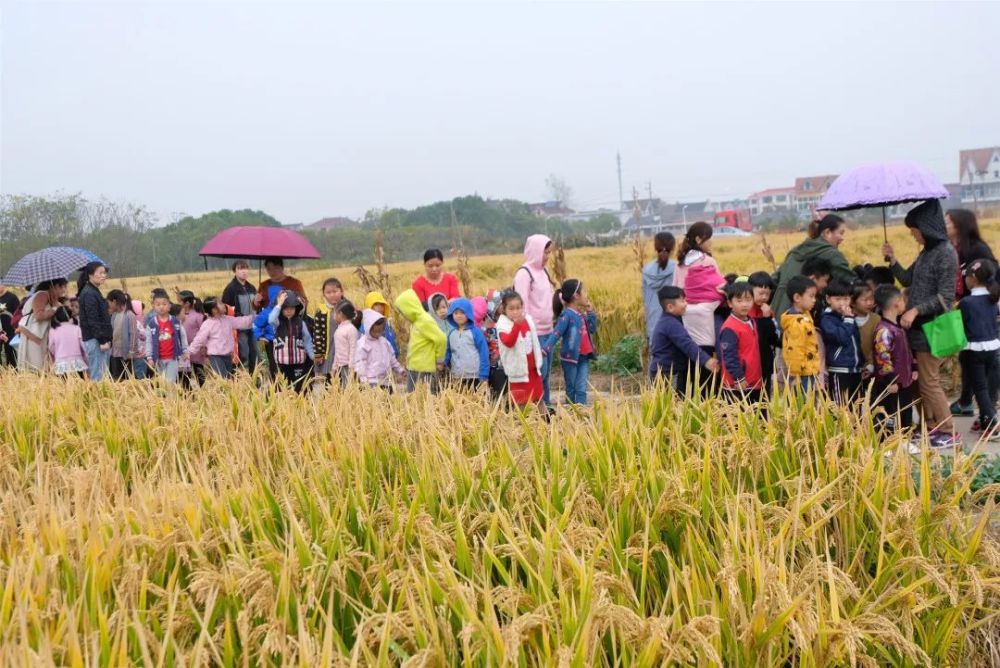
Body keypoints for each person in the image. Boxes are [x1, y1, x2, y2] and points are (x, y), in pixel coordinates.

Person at [882, 200, 961, 448]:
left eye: (914, 229)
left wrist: (915, 309)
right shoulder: (927, 252)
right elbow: (908, 279)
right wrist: (893, 260)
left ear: (926, 227)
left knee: (929, 382)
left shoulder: (946, 253)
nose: (912, 234)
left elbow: (945, 297)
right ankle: (929, 427)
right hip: (917, 330)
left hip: (932, 329)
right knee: (919, 383)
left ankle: (948, 431)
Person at [945, 209, 996, 415]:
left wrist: (992, 300)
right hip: (966, 307)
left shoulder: (977, 249)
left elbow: (994, 274)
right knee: (967, 356)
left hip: (982, 309)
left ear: (959, 225)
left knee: (983, 361)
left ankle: (988, 408)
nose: (944, 225)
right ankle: (967, 401)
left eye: (947, 222)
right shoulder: (952, 249)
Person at [772, 214, 855, 317]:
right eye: (841, 233)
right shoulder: (832, 254)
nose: (842, 238)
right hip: (802, 314)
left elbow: (774, 279)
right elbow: (850, 281)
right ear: (827, 232)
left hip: (778, 308)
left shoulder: (796, 251)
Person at [958, 259, 1000, 440]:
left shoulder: (966, 302)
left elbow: (960, 327)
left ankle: (992, 423)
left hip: (973, 349)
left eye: (966, 276)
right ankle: (984, 419)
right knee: (990, 386)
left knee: (980, 388)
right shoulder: (993, 299)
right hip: (993, 347)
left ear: (973, 278)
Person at [649, 286, 719, 393]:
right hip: (667, 374)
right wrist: (706, 360)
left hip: (662, 371)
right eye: (682, 301)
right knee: (673, 404)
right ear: (670, 307)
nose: (686, 304)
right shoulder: (671, 324)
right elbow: (687, 344)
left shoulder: (669, 320)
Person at [513, 234, 556, 406]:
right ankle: (535, 414)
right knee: (538, 374)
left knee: (546, 376)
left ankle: (547, 412)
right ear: (535, 251)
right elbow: (520, 307)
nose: (547, 256)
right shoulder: (524, 274)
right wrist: (526, 335)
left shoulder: (544, 271)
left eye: (549, 253)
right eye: (545, 252)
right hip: (534, 334)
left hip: (549, 331)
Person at [674, 222, 726, 362]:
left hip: (686, 315)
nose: (711, 241)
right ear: (698, 239)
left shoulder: (680, 263)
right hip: (708, 315)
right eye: (709, 237)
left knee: (692, 357)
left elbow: (676, 289)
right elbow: (720, 287)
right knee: (717, 352)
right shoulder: (708, 260)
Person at [543, 279, 598, 405]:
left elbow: (592, 328)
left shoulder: (581, 314)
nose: (586, 294)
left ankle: (581, 418)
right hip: (570, 359)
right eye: (583, 291)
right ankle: (570, 417)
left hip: (583, 357)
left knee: (581, 389)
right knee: (571, 389)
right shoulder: (567, 316)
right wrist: (545, 349)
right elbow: (556, 333)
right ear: (576, 296)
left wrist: (590, 312)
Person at [872, 285, 917, 434]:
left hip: (904, 380)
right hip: (891, 382)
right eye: (903, 300)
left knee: (905, 411)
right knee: (889, 413)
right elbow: (882, 356)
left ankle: (905, 438)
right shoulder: (884, 330)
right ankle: (888, 441)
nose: (905, 303)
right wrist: (890, 380)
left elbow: (906, 351)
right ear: (897, 302)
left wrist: (914, 367)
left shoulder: (898, 328)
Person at [255, 258, 307, 374]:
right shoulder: (264, 285)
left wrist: (296, 301)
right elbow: (259, 309)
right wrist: (256, 302)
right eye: (268, 268)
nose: (272, 271)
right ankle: (278, 389)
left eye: (275, 268)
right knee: (275, 365)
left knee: (294, 365)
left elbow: (304, 303)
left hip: (292, 329)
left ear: (282, 268)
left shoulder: (294, 283)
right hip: (272, 330)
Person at [186, 297, 256, 379]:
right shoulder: (208, 324)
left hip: (228, 356)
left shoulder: (227, 319)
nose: (223, 305)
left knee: (229, 378)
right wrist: (190, 351)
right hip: (216, 357)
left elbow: (242, 321)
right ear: (214, 310)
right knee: (223, 378)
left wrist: (257, 318)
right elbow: (199, 339)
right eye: (220, 303)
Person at [496, 291, 544, 410]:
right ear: (504, 309)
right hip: (518, 373)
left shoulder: (527, 320)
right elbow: (508, 342)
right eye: (511, 309)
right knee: (522, 403)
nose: (516, 312)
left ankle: (544, 424)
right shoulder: (503, 325)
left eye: (518, 308)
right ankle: (523, 426)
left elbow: (533, 341)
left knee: (538, 399)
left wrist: (538, 353)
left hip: (532, 370)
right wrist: (516, 326)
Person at [717, 282, 763, 403]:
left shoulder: (751, 321)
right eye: (739, 300)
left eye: (748, 300)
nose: (744, 304)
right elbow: (729, 357)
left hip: (754, 381)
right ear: (730, 303)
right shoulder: (729, 327)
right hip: (738, 385)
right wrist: (739, 378)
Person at [395, 288, 447, 393]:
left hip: (424, 368)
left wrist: (439, 360)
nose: (403, 315)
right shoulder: (416, 322)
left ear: (410, 308)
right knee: (412, 397)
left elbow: (441, 339)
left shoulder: (425, 320)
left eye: (403, 312)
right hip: (414, 367)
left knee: (423, 397)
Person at [819, 280, 862, 404]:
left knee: (857, 408)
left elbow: (856, 342)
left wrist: (862, 362)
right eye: (838, 299)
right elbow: (841, 338)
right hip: (839, 370)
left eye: (846, 299)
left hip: (855, 370)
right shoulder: (827, 319)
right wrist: (848, 319)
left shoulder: (848, 317)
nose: (842, 303)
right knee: (841, 409)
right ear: (828, 299)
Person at [267, 290, 314, 392]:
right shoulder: (277, 323)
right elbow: (270, 319)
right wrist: (279, 304)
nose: (289, 311)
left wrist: (312, 356)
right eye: (285, 308)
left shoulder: (301, 323)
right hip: (282, 364)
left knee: (299, 388)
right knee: (282, 389)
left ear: (296, 309)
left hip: (298, 363)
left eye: (292, 308)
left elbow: (307, 341)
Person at [16, 279, 68, 372]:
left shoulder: (51, 297)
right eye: (61, 286)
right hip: (32, 336)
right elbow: (38, 315)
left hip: (38, 334)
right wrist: (55, 308)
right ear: (53, 286)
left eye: (65, 287)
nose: (64, 289)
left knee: (42, 365)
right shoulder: (42, 294)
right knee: (36, 366)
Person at [780, 276, 820, 392]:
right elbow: (795, 350)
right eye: (811, 296)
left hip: (809, 369)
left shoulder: (804, 315)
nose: (814, 300)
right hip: (802, 374)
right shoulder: (796, 323)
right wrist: (795, 374)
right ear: (797, 297)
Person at [143, 288, 189, 384]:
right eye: (158, 304)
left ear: (169, 306)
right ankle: (167, 399)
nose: (161, 307)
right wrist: (149, 357)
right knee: (163, 383)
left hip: (173, 358)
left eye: (164, 304)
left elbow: (182, 337)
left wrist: (185, 351)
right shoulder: (152, 324)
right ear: (153, 306)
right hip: (158, 359)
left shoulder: (175, 322)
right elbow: (149, 342)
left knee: (170, 382)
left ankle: (171, 399)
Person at [77, 261, 113, 381]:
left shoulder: (93, 291)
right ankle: (98, 398)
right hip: (96, 340)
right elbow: (93, 320)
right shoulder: (89, 293)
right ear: (90, 275)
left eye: (105, 273)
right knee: (98, 376)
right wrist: (102, 340)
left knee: (102, 374)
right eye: (100, 272)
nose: (104, 275)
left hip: (98, 339)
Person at [353, 309, 406, 390]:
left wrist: (400, 369)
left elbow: (392, 358)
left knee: (387, 401)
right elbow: (360, 362)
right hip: (371, 381)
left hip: (385, 380)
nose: (378, 334)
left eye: (380, 331)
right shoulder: (363, 344)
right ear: (368, 328)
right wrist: (363, 379)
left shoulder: (384, 342)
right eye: (375, 332)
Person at [444, 297, 490, 391]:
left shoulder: (476, 333)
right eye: (456, 313)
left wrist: (484, 375)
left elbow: (484, 354)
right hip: (457, 376)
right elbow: (449, 351)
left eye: (462, 312)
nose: (459, 316)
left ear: (468, 313)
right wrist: (444, 363)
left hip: (474, 376)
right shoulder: (452, 333)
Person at [221, 260, 258, 371]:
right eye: (240, 268)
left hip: (252, 325)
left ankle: (254, 378)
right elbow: (225, 309)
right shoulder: (230, 289)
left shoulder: (252, 288)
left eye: (246, 268)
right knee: (244, 353)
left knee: (255, 353)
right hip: (239, 327)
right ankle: (240, 378)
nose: (244, 271)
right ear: (235, 271)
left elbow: (257, 306)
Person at [642, 232, 677, 342]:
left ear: (655, 247)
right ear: (673, 247)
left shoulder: (646, 270)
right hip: (674, 321)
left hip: (653, 321)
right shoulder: (678, 268)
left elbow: (645, 298)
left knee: (657, 354)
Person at [748, 272, 779, 396]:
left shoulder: (767, 310)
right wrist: (766, 320)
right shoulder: (747, 310)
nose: (764, 297)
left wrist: (768, 318)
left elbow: (773, 337)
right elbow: (758, 335)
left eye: (767, 294)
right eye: (761, 293)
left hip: (765, 363)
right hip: (751, 363)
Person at [312, 278, 345, 382]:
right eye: (328, 292)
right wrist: (318, 353)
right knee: (330, 379)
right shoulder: (321, 311)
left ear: (341, 292)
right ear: (324, 294)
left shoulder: (347, 308)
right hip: (329, 350)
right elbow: (317, 334)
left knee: (346, 376)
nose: (332, 295)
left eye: (335, 291)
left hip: (345, 349)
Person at [47, 305, 88, 378]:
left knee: (63, 387)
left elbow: (51, 347)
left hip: (61, 364)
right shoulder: (77, 328)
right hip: (77, 363)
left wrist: (57, 354)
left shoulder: (53, 330)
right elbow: (84, 345)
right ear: (70, 316)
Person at [107, 289, 138, 380]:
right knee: (116, 376)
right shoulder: (114, 315)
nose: (109, 305)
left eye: (109, 302)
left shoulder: (129, 315)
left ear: (114, 301)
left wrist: (131, 351)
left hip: (126, 352)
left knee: (127, 376)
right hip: (114, 352)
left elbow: (133, 334)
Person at [331, 301, 362, 387]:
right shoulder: (339, 329)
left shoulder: (351, 329)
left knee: (348, 389)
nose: (334, 316)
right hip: (340, 366)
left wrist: (351, 368)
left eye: (335, 313)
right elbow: (337, 350)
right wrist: (334, 366)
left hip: (348, 366)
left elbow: (353, 349)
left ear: (340, 314)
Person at [178, 294, 206, 388]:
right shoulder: (180, 315)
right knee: (185, 373)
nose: (178, 303)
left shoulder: (198, 316)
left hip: (196, 350)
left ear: (187, 303)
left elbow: (204, 332)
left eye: (180, 301)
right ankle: (188, 392)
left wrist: (203, 347)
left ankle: (203, 390)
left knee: (198, 371)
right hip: (184, 350)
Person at [852, 283, 877, 382]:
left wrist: (870, 365)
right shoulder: (846, 320)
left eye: (871, 299)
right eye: (865, 300)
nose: (870, 303)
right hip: (851, 369)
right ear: (852, 302)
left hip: (871, 368)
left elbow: (877, 345)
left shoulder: (876, 319)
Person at [362, 291, 398, 356]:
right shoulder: (364, 328)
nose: (380, 307)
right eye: (376, 304)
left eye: (382, 304)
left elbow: (392, 344)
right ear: (369, 305)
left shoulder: (387, 325)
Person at [0, 283, 19, 367]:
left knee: (11, 354)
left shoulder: (12, 297)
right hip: (0, 331)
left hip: (11, 331)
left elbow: (18, 314)